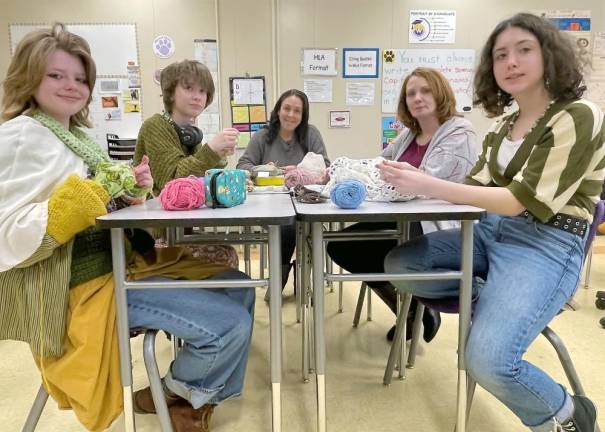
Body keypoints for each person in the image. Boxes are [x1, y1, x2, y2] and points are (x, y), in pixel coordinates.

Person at [0, 24, 254, 432]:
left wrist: (127, 196)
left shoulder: (78, 136)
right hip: (81, 286)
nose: (72, 86)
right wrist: (92, 196)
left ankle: (184, 394)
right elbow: (12, 234)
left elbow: (110, 201)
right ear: (28, 77)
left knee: (238, 284)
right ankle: (181, 395)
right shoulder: (17, 138)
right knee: (230, 323)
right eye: (56, 75)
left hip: (124, 262)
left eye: (81, 78)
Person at [380, 13, 604, 432]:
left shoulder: (578, 116)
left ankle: (566, 415)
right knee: (399, 265)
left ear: (550, 56)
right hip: (491, 232)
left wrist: (424, 182)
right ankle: (496, 297)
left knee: (487, 361)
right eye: (501, 55)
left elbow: (519, 202)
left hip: (548, 244)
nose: (511, 62)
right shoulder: (502, 126)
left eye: (524, 50)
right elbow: (475, 187)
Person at [327, 67, 478, 342]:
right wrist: (340, 170)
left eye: (425, 90)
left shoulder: (460, 132)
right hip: (402, 218)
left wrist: (390, 175)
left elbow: (427, 184)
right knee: (341, 246)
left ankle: (418, 303)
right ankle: (408, 309)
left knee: (369, 249)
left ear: (441, 92)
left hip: (437, 225)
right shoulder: (409, 134)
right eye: (411, 93)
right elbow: (378, 164)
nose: (417, 97)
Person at [134, 59, 241, 269]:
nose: (197, 96)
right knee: (225, 257)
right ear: (171, 92)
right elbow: (173, 182)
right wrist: (211, 149)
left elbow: (197, 179)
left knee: (226, 253)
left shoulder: (189, 134)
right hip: (154, 236)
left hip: (179, 228)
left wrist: (218, 155)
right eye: (189, 87)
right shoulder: (155, 126)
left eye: (202, 91)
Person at [237, 89, 330, 295]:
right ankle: (282, 274)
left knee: (310, 230)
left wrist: (299, 170)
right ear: (278, 110)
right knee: (286, 227)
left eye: (297, 111)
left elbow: (324, 167)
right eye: (287, 108)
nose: (291, 114)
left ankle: (302, 276)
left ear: (303, 115)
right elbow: (242, 165)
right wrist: (263, 169)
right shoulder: (262, 136)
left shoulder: (311, 134)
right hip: (270, 203)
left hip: (306, 200)